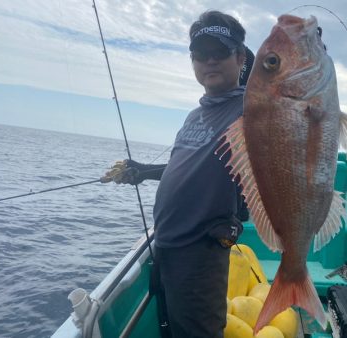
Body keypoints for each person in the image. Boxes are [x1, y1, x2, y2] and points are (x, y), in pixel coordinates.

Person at [102, 10, 253, 338]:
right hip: (166, 243)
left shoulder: (252, 111)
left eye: (220, 52)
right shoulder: (195, 116)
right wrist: (142, 171)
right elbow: (184, 169)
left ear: (241, 57)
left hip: (201, 252)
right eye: (200, 54)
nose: (209, 61)